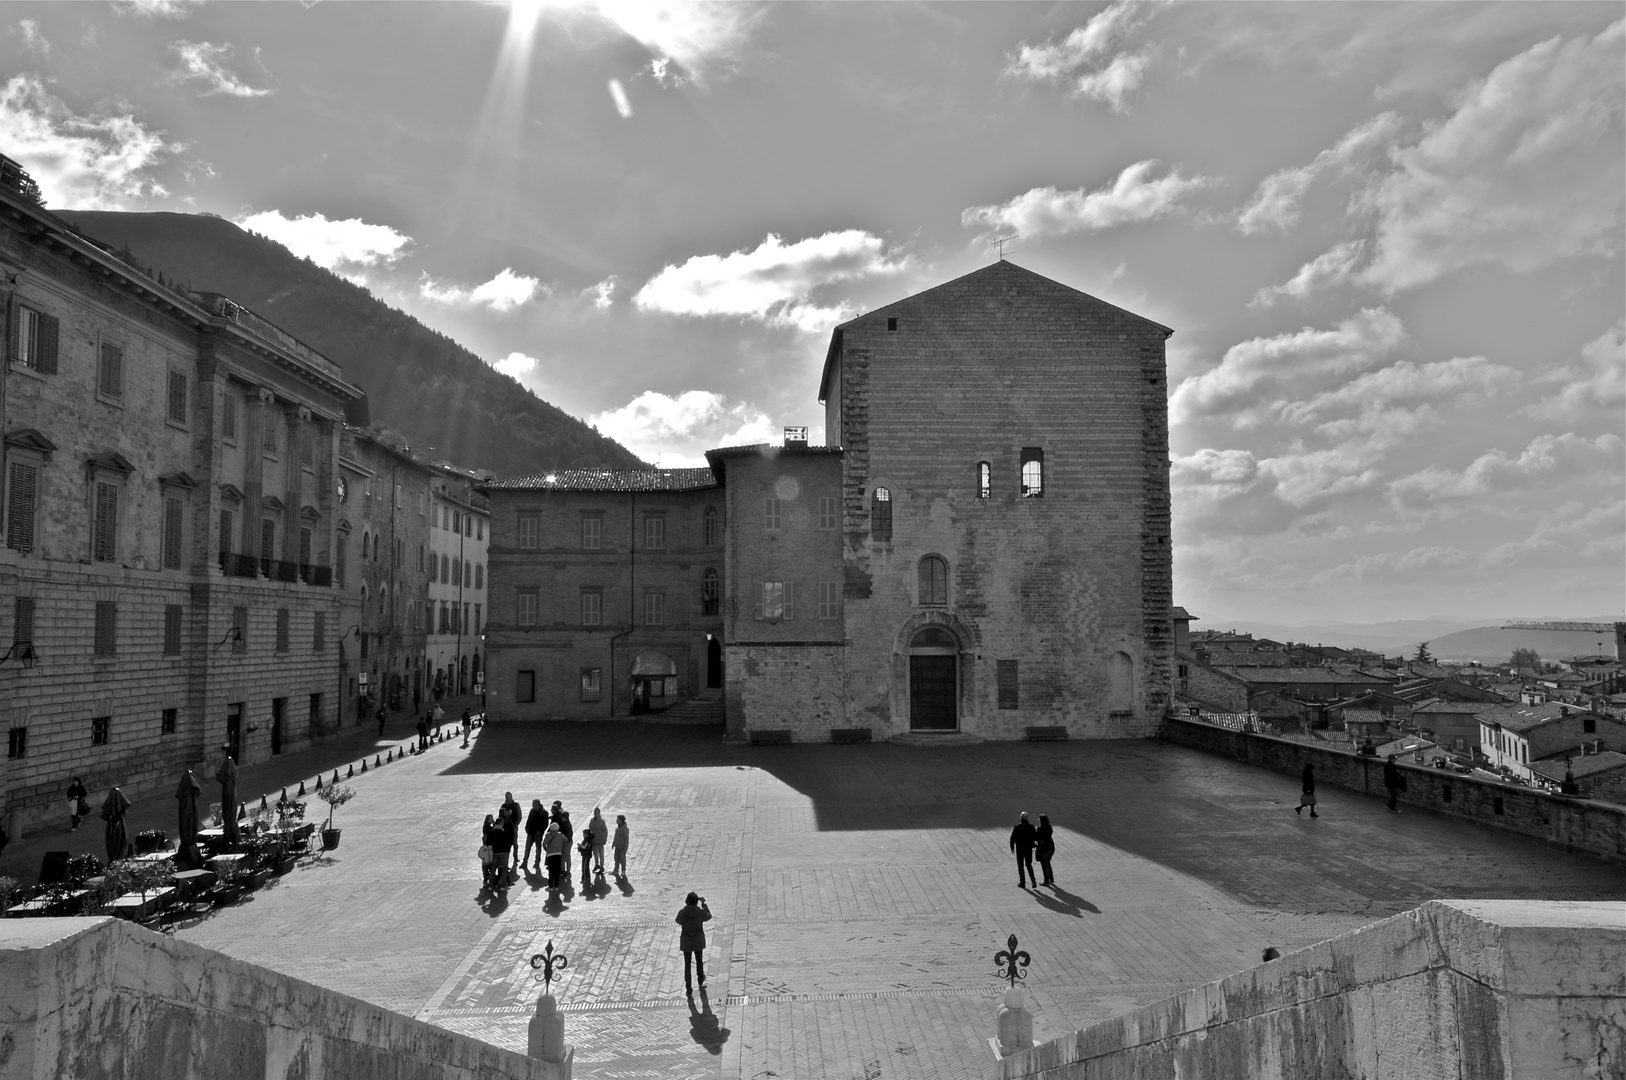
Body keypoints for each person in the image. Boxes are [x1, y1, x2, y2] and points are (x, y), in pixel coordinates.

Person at [675, 891, 712, 993]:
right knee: (699, 961)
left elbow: (678, 920)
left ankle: (688, 987)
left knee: (687, 965)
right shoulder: (700, 912)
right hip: (698, 940)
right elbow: (709, 916)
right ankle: (700, 981)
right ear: (696, 901)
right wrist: (703, 904)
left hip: (686, 940)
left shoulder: (682, 912)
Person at [101, 786, 131, 864]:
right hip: (117, 825)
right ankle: (117, 859)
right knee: (118, 840)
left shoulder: (110, 820)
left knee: (113, 841)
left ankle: (115, 859)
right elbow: (125, 806)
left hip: (112, 825)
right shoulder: (119, 820)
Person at [1009, 811, 1038, 888]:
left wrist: (1012, 847)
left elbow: (1012, 838)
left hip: (1020, 849)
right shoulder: (1031, 827)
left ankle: (1022, 883)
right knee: (1029, 865)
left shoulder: (1017, 827)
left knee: (1020, 866)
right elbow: (1035, 837)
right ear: (1027, 818)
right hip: (1028, 849)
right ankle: (1033, 880)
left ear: (1021, 818)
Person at [489, 808, 515, 887]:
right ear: (501, 823)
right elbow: (507, 842)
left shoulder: (491, 832)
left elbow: (488, 843)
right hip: (503, 853)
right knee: (504, 869)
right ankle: (502, 885)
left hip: (494, 853)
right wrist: (507, 849)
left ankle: (490, 885)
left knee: (493, 869)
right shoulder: (503, 833)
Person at [523, 799, 548, 873]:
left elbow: (545, 824)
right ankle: (525, 862)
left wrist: (540, 831)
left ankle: (537, 862)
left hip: (537, 834)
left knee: (538, 849)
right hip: (530, 833)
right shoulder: (532, 811)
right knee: (527, 848)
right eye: (532, 804)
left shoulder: (544, 812)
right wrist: (527, 828)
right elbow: (529, 820)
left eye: (534, 805)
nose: (533, 806)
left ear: (538, 805)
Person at [500, 792, 522, 875]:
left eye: (508, 796)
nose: (507, 798)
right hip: (505, 828)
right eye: (506, 796)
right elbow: (500, 816)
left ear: (511, 797)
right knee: (506, 844)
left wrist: (516, 825)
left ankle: (515, 857)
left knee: (515, 843)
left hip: (513, 827)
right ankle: (506, 860)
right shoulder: (503, 806)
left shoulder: (516, 805)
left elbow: (519, 816)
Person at [1034, 813, 1056, 887]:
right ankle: (1051, 879)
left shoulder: (1040, 829)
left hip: (1044, 848)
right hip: (1051, 847)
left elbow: (1037, 838)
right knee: (1048, 863)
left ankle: (1046, 881)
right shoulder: (1049, 827)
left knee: (1044, 865)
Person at [542, 821, 565, 891]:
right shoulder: (560, 835)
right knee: (557, 871)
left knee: (551, 871)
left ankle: (551, 886)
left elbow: (544, 844)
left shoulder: (548, 835)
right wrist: (560, 846)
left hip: (550, 855)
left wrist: (547, 850)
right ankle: (556, 886)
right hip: (558, 854)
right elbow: (566, 840)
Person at [552, 801, 574, 874]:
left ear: (565, 818)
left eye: (562, 818)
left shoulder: (567, 825)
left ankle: (568, 872)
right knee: (563, 857)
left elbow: (567, 836)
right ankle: (563, 870)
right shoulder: (564, 823)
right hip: (564, 842)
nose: (561, 819)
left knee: (567, 857)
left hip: (567, 843)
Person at [479, 814, 499, 889]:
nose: (492, 819)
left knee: (486, 864)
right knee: (488, 864)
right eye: (491, 818)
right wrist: (494, 824)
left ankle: (487, 879)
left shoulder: (486, 827)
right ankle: (488, 878)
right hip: (489, 848)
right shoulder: (488, 828)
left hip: (487, 848)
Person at [588, 808, 608, 875]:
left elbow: (605, 831)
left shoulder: (602, 822)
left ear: (599, 813)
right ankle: (596, 864)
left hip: (600, 840)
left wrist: (604, 839)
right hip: (594, 840)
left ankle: (602, 866)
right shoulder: (592, 821)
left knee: (601, 853)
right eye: (594, 812)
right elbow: (590, 828)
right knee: (595, 854)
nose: (595, 813)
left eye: (596, 812)